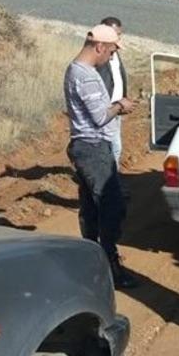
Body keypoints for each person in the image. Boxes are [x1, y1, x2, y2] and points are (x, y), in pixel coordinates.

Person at [63, 25, 137, 289]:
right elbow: (98, 116)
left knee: (92, 208)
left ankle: (92, 262)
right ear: (99, 47)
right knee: (111, 205)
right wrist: (120, 106)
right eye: (112, 50)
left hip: (85, 146)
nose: (113, 56)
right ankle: (108, 266)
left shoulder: (76, 70)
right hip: (93, 148)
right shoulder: (86, 76)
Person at [96, 17, 129, 166]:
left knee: (114, 147)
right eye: (116, 34)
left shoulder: (114, 53)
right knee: (114, 147)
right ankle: (110, 183)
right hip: (106, 109)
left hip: (117, 108)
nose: (118, 38)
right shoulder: (100, 56)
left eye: (119, 34)